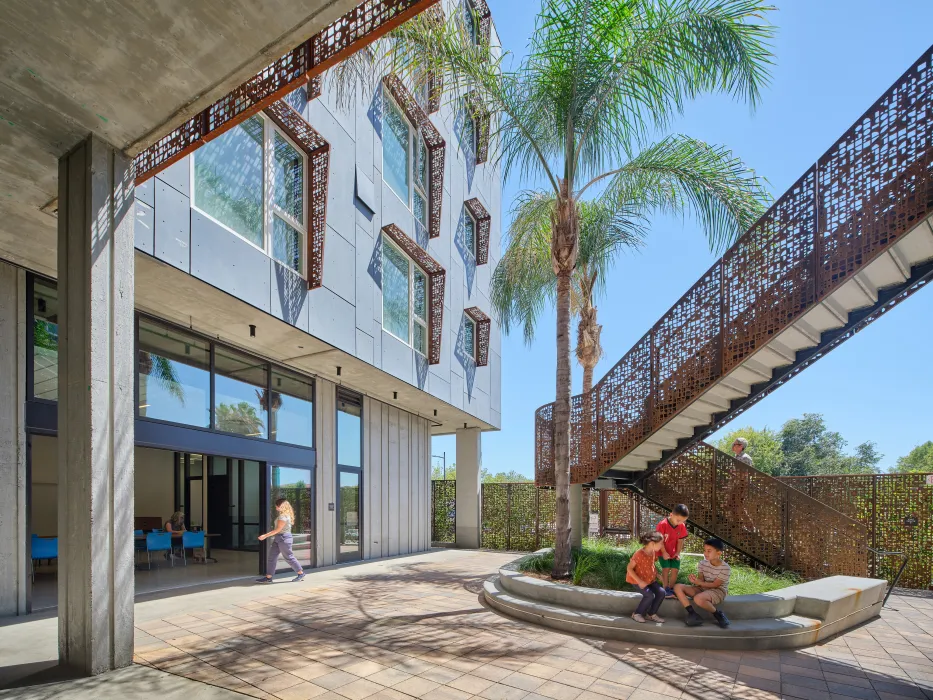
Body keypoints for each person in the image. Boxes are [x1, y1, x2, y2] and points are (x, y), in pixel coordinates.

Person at [674, 537, 731, 628]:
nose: (705, 553)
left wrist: (699, 583)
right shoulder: (702, 563)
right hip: (703, 588)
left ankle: (718, 615)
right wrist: (695, 581)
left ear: (718, 553)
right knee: (677, 587)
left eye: (709, 551)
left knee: (698, 599)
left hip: (718, 591)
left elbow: (715, 584)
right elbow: (701, 581)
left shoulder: (725, 568)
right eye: (704, 550)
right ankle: (692, 614)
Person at [257, 498, 305, 583]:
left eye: (276, 506)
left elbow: (277, 530)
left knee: (288, 557)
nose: (276, 508)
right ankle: (268, 577)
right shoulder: (284, 515)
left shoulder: (283, 516)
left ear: (281, 506)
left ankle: (300, 573)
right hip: (279, 538)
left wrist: (265, 536)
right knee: (272, 557)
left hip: (284, 538)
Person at [626, 532, 666, 624]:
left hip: (650, 580)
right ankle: (636, 614)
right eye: (661, 543)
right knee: (649, 595)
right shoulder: (639, 554)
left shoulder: (653, 552)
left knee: (661, 592)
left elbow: (651, 565)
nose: (662, 545)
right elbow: (629, 568)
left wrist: (657, 574)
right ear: (652, 543)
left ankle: (651, 614)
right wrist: (639, 581)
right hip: (637, 581)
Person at [656, 504, 689, 598]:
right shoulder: (662, 524)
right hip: (662, 551)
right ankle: (665, 588)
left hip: (674, 552)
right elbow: (660, 540)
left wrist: (678, 553)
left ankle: (670, 589)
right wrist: (664, 552)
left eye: (683, 521)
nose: (680, 523)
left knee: (675, 569)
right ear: (671, 515)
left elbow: (680, 540)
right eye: (678, 520)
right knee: (666, 568)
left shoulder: (681, 526)